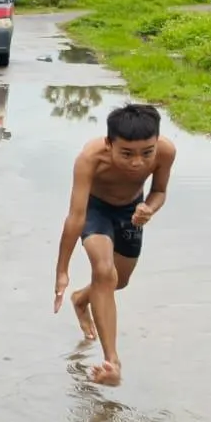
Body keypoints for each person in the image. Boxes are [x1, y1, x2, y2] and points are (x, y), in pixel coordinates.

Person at [54, 103, 176, 386]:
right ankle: (112, 363)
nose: (138, 162)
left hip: (132, 210)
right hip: (95, 211)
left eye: (147, 152)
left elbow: (158, 191)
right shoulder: (89, 158)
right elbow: (75, 217)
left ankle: (82, 299)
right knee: (104, 271)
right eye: (127, 153)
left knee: (118, 282)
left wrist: (149, 208)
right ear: (109, 144)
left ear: (157, 143)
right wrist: (62, 270)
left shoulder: (166, 152)